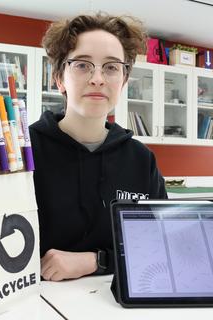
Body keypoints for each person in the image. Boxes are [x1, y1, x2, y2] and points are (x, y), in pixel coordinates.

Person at [29, 13, 167, 282]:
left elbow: (157, 246)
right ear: (59, 78)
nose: (97, 79)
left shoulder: (141, 159)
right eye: (82, 65)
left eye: (111, 67)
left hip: (115, 301)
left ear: (124, 81)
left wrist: (95, 261)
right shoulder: (24, 152)